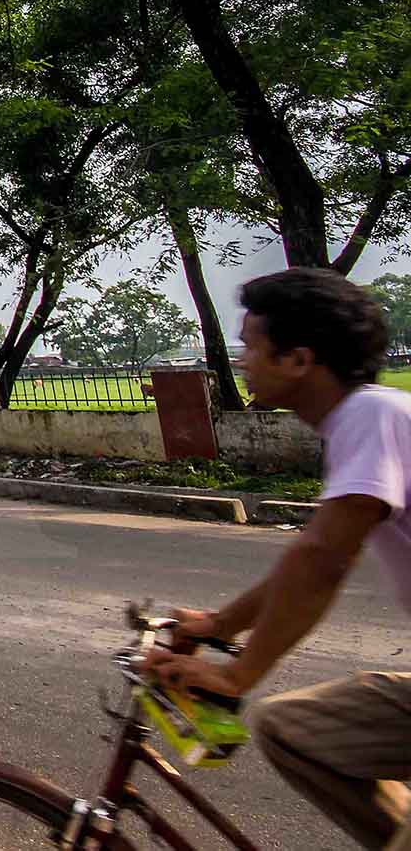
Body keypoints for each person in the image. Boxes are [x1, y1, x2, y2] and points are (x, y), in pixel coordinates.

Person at [144, 268, 410, 850]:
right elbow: (310, 555)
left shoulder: (372, 418)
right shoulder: (362, 423)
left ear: (297, 360)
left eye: (251, 347)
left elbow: (321, 562)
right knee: (296, 730)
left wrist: (239, 673)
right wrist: (216, 625)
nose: (242, 361)